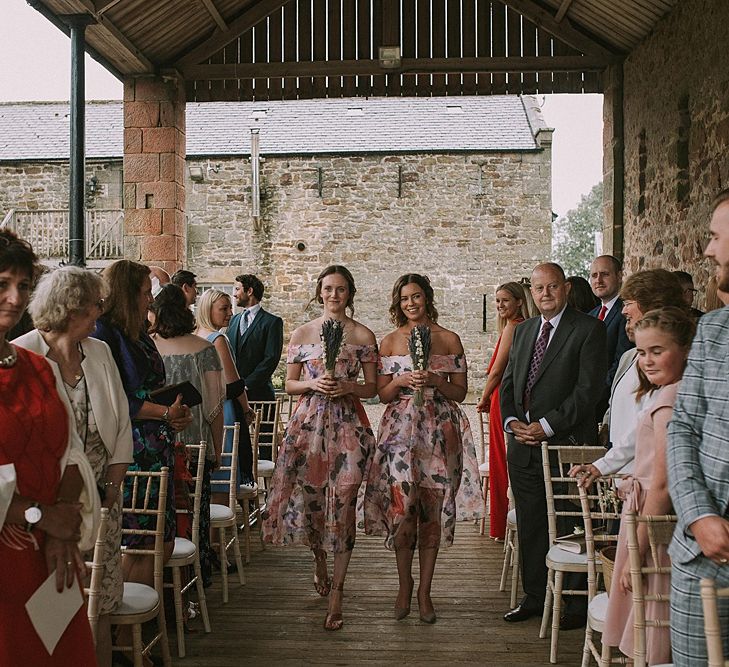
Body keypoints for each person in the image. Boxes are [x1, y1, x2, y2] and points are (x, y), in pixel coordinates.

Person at [14, 266, 133, 667]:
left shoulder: (98, 351)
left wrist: (114, 488)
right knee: (52, 610)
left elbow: (121, 422)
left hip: (101, 500)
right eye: (94, 306)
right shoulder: (23, 352)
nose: (100, 312)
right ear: (70, 308)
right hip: (43, 512)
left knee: (100, 603)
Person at [262, 265, 377, 631]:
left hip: (348, 426)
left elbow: (372, 387)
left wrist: (347, 387)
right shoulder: (302, 332)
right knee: (312, 499)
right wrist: (314, 384)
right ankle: (318, 560)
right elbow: (289, 385)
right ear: (319, 292)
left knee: (344, 501)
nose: (333, 295)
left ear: (350, 293)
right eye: (328, 289)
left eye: (341, 289)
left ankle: (338, 593)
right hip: (308, 425)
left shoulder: (362, 334)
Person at [0, 230, 97, 664]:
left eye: (23, 285)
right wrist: (41, 516)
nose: (15, 298)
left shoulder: (38, 367)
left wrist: (61, 520)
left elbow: (71, 450)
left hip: (51, 553)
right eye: (1, 284)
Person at [365, 273, 483, 624]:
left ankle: (425, 592)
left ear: (427, 298)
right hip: (400, 433)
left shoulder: (448, 339)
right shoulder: (388, 342)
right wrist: (400, 380)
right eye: (404, 299)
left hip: (440, 431)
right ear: (398, 303)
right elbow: (381, 394)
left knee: (432, 511)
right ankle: (404, 585)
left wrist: (435, 380)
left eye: (416, 297)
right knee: (402, 509)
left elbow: (461, 392)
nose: (410, 303)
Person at [500, 262, 607, 627]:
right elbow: (509, 384)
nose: (545, 294)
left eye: (552, 287)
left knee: (570, 522)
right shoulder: (524, 330)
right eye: (538, 288)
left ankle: (573, 607)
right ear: (531, 292)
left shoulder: (589, 329)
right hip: (523, 446)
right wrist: (512, 422)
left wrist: (545, 426)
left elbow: (588, 392)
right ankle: (535, 596)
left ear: (564, 288)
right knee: (531, 522)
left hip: (565, 444)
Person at [602, 307, 695, 665]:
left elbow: (662, 483)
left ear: (685, 350)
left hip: (653, 527)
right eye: (642, 352)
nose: (647, 361)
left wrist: (638, 553)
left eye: (658, 351)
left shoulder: (669, 403)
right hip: (642, 514)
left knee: (651, 631)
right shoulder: (668, 393)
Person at [92, 260, 192, 592]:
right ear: (126, 293)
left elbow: (149, 387)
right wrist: (164, 413)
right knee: (139, 542)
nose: (151, 300)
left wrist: (173, 413)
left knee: (162, 539)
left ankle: (141, 619)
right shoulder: (103, 333)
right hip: (131, 448)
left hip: (156, 443)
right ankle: (124, 630)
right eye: (146, 292)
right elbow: (116, 398)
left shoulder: (140, 332)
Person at [667, 189, 729, 665]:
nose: (707, 250)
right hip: (702, 557)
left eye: (715, 236)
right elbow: (683, 426)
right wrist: (699, 516)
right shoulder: (713, 330)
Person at [571, 269, 686, 487]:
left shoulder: (667, 367)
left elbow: (646, 425)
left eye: (629, 302)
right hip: (621, 479)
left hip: (646, 482)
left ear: (652, 304)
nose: (623, 310)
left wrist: (606, 465)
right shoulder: (629, 357)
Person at [149, 284, 225, 586]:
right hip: (194, 442)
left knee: (159, 513)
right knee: (195, 511)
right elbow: (214, 406)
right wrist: (217, 449)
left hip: (154, 441)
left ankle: (161, 579)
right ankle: (197, 572)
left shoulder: (147, 346)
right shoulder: (203, 349)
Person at [477, 281, 529, 540]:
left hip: (499, 397)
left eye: (504, 300)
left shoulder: (514, 326)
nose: (499, 306)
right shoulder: (524, 327)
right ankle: (503, 522)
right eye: (497, 301)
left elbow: (497, 370)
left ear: (520, 301)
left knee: (499, 458)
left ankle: (498, 524)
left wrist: (483, 397)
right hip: (508, 396)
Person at [194, 288, 255, 498]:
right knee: (223, 467)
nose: (230, 312)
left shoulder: (194, 335)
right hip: (224, 408)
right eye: (224, 308)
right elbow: (234, 382)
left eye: (230, 307)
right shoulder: (217, 339)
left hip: (201, 407)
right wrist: (246, 409)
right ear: (207, 310)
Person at [226, 274, 284, 483]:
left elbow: (270, 360)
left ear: (250, 291)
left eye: (237, 289)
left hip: (260, 393)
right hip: (234, 395)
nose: (234, 294)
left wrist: (246, 386)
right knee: (236, 442)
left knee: (265, 443)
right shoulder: (233, 320)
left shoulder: (272, 322)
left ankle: (269, 493)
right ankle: (241, 488)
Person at [588, 255, 633, 418]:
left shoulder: (627, 313)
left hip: (609, 403)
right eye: (594, 275)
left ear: (620, 276)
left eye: (605, 274)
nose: (598, 280)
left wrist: (594, 396)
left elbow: (621, 362)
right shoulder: (591, 316)